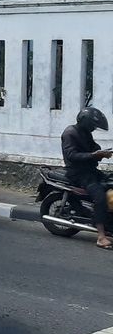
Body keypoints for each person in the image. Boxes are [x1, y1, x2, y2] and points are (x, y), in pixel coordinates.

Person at [61, 106, 112, 250]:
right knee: (100, 197)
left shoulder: (85, 133)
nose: (94, 129)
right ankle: (101, 237)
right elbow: (71, 155)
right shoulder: (70, 133)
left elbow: (93, 146)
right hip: (77, 173)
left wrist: (101, 151)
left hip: (90, 170)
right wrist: (94, 155)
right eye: (93, 126)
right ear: (85, 122)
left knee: (110, 184)